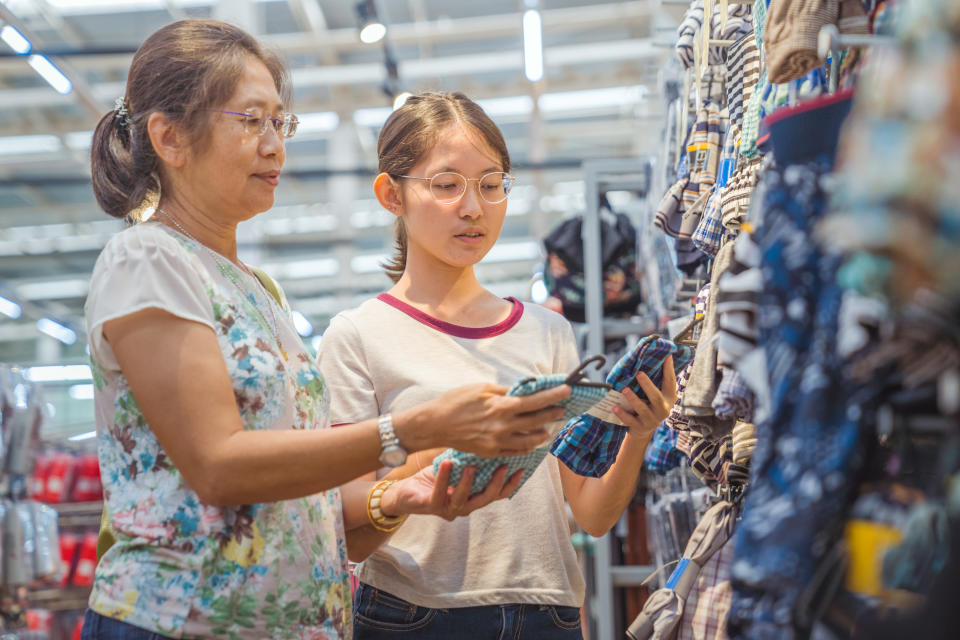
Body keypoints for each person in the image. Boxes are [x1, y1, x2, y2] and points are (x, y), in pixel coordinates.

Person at [82, 21, 571, 640]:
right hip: (180, 623)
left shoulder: (256, 288)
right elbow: (218, 465)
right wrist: (412, 428)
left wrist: (397, 499)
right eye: (250, 120)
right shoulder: (147, 260)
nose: (274, 146)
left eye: (279, 123)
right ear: (171, 137)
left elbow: (298, 489)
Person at [318, 92, 677, 639]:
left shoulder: (548, 331)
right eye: (446, 185)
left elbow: (593, 516)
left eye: (491, 184)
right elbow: (344, 512)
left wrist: (639, 431)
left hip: (548, 611)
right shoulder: (358, 335)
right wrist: (449, 442)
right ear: (391, 193)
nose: (473, 207)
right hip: (414, 614)